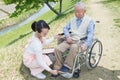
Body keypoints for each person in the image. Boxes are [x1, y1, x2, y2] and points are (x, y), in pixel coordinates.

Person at [53, 2, 95, 76]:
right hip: (70, 39)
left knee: (74, 47)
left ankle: (67, 66)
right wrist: (68, 36)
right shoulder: (72, 20)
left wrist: (86, 44)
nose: (76, 13)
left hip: (81, 41)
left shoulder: (89, 21)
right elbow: (65, 28)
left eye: (79, 12)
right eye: (75, 11)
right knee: (57, 49)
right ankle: (57, 67)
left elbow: (90, 35)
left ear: (84, 11)